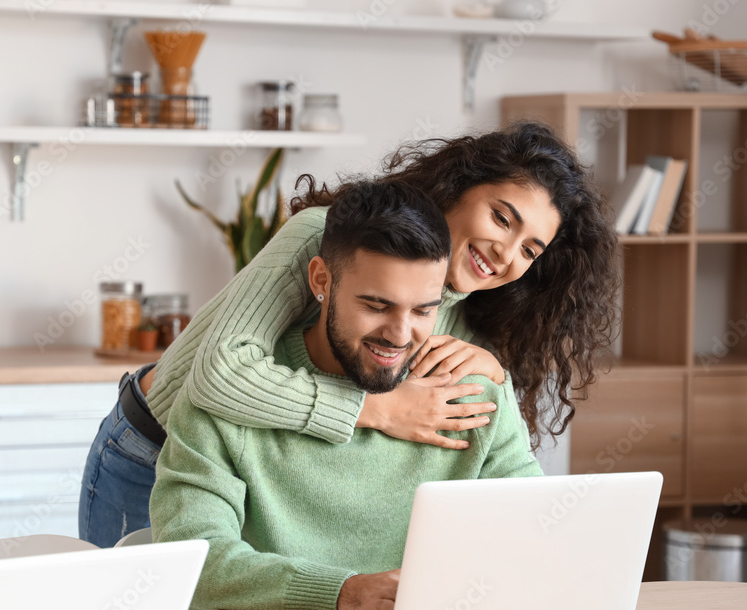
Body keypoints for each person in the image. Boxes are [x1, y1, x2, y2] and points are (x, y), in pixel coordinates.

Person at [78, 121, 618, 548]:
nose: (506, 253)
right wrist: (380, 410)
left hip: (238, 476)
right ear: (460, 187)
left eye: (529, 249)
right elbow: (220, 374)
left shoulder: (468, 306)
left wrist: (494, 371)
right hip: (151, 446)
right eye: (503, 218)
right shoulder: (326, 236)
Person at [150, 180, 542, 610]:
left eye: (423, 310)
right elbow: (192, 562)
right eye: (376, 305)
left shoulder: (472, 397)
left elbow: (538, 533)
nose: (399, 336)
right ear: (321, 280)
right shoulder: (231, 397)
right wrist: (341, 593)